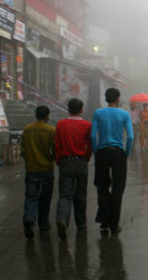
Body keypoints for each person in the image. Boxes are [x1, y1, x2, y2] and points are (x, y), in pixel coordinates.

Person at [91, 88, 134, 234]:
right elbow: (130, 137)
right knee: (118, 189)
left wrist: (97, 152)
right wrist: (126, 153)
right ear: (118, 98)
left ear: (106, 98)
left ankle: (104, 220)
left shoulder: (98, 113)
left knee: (102, 187)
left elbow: (92, 136)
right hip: (118, 153)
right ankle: (114, 225)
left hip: (102, 152)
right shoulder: (124, 114)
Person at [55, 98, 92, 239]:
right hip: (81, 162)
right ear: (81, 110)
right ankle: (81, 224)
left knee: (65, 195)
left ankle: (62, 219)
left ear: (68, 109)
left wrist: (58, 160)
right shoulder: (86, 125)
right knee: (81, 195)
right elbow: (89, 144)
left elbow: (57, 145)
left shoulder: (61, 124)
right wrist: (86, 158)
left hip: (65, 162)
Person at [21, 105, 55, 239]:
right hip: (46, 168)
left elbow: (23, 149)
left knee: (31, 197)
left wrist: (29, 160)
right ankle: (43, 223)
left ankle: (29, 218)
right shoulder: (51, 130)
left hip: (31, 169)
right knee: (45, 199)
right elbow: (55, 149)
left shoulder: (27, 129)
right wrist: (52, 158)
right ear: (47, 116)